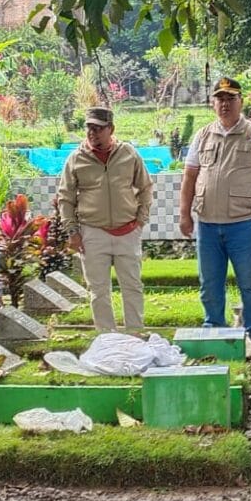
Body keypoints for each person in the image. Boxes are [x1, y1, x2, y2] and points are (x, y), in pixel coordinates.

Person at [180, 77, 251, 359]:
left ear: (241, 102)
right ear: (214, 103)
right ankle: (215, 333)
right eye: (220, 99)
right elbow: (190, 176)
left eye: (230, 99)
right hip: (208, 224)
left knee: (249, 282)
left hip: (244, 223)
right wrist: (184, 214)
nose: (225, 104)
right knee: (209, 283)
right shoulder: (202, 135)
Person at [56, 106, 154, 332]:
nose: (93, 133)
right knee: (98, 290)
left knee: (132, 286)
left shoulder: (128, 153)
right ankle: (107, 339)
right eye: (89, 128)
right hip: (92, 231)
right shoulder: (76, 158)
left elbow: (145, 187)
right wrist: (73, 232)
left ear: (111, 129)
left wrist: (140, 221)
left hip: (128, 230)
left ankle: (135, 335)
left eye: (98, 128)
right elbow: (65, 198)